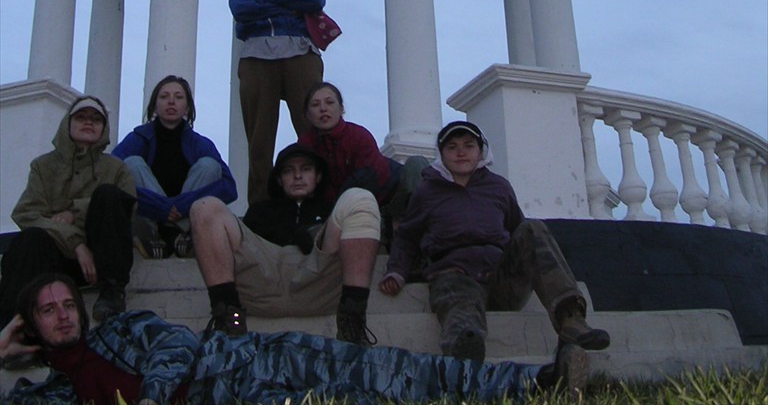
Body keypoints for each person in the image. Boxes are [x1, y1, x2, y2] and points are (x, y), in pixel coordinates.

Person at [0, 273, 588, 403]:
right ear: (32, 325)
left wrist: (151, 399)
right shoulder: (52, 393)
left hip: (259, 360)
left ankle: (534, 381)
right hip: (249, 400)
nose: (63, 317)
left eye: (68, 305)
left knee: (396, 371)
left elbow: (175, 348)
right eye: (48, 312)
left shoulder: (122, 329)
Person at [379, 120, 611, 365]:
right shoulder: (427, 191)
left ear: (481, 151)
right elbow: (407, 236)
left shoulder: (499, 187)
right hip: (454, 274)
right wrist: (396, 271)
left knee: (532, 228)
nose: (460, 152)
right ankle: (466, 356)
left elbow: (519, 230)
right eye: (452, 147)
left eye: (468, 146)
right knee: (461, 316)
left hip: (501, 278)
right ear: (441, 154)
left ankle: (570, 317)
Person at [190, 143, 381, 346]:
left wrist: (314, 232)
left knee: (360, 198)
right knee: (204, 206)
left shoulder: (333, 210)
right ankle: (228, 319)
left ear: (318, 176)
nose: (297, 176)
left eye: (305, 169)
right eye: (289, 171)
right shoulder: (259, 212)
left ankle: (353, 320)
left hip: (319, 282)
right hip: (262, 282)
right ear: (279, 179)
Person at [0, 97, 136, 328]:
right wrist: (75, 243)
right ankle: (12, 326)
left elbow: (127, 210)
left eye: (96, 119)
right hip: (57, 258)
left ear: (104, 128)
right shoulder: (42, 166)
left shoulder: (116, 168)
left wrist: (74, 212)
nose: (88, 123)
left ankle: (113, 291)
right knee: (28, 240)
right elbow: (27, 213)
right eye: (81, 117)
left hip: (100, 259)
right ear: (68, 123)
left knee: (109, 194)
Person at [229, 0, 327, 205]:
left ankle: (319, 204)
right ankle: (261, 210)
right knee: (259, 140)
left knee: (313, 131)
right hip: (257, 54)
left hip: (300, 50)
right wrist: (288, 1)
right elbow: (240, 7)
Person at [112, 75, 237, 259]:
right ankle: (168, 235)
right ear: (155, 105)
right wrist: (160, 207)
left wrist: (182, 205)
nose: (171, 101)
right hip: (149, 218)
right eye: (164, 97)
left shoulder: (200, 143)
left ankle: (172, 234)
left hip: (187, 216)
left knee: (209, 166)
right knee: (132, 163)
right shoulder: (137, 138)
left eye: (178, 97)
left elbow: (229, 187)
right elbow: (110, 175)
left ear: (187, 108)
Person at [298, 81, 427, 218]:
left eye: (329, 102)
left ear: (341, 109)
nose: (323, 109)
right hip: (342, 208)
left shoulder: (358, 136)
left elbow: (369, 178)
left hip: (388, 195)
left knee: (417, 164)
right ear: (308, 114)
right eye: (315, 105)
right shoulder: (305, 145)